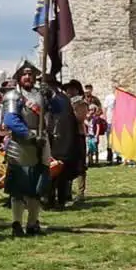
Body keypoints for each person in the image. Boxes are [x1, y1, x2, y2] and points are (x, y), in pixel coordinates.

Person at [0, 62, 65, 237]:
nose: (28, 77)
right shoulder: (13, 96)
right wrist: (29, 136)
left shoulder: (41, 95)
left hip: (42, 140)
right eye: (24, 74)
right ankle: (16, 223)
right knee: (19, 188)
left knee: (37, 187)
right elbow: (11, 119)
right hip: (21, 143)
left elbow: (59, 109)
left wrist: (51, 94)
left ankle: (32, 223)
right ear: (19, 77)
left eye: (31, 74)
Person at [45, 79, 86, 210]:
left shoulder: (79, 103)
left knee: (76, 166)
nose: (70, 91)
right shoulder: (59, 101)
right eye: (68, 89)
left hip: (75, 137)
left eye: (73, 89)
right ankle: (53, 197)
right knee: (55, 169)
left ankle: (77, 193)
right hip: (59, 138)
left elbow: (80, 118)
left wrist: (70, 110)